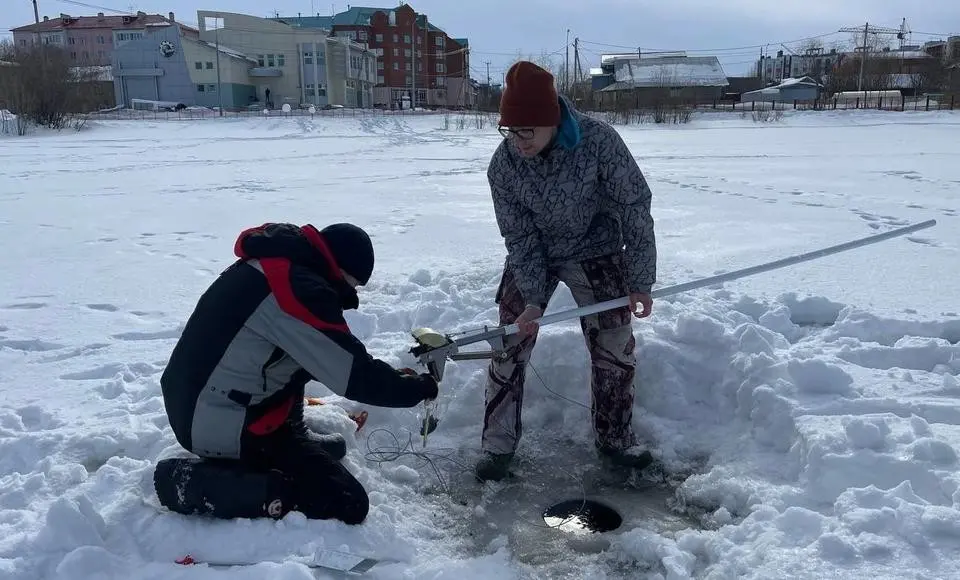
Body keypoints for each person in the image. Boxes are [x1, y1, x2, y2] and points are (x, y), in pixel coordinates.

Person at [154, 222, 439, 524]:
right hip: (214, 421)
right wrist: (417, 388)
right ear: (341, 271)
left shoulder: (284, 265)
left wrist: (393, 378)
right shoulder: (296, 290)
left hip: (200, 399)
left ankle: (288, 437)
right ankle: (185, 482)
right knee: (347, 502)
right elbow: (353, 374)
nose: (351, 293)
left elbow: (320, 354)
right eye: (353, 285)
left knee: (312, 394)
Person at [476, 60, 658, 481]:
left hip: (596, 249)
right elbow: (518, 237)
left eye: (526, 131)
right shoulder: (504, 165)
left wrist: (640, 281)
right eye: (509, 130)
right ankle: (497, 446)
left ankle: (615, 440)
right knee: (509, 341)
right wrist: (533, 300)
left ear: (551, 121)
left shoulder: (599, 143)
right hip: (535, 251)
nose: (517, 141)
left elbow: (634, 208)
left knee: (613, 342)